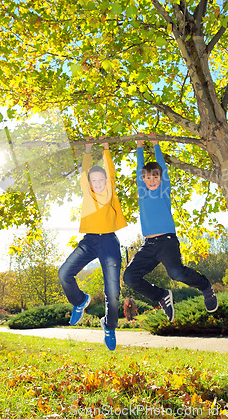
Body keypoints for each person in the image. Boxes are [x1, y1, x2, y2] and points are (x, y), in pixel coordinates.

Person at [123, 133, 218, 322]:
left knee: (175, 273)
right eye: (148, 178)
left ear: (160, 178)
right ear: (143, 179)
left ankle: (205, 286)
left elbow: (163, 169)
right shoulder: (142, 191)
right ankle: (161, 296)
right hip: (149, 245)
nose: (151, 181)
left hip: (167, 242)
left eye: (155, 177)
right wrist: (139, 147)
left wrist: (156, 145)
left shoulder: (164, 190)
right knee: (129, 277)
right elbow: (138, 170)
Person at [58, 139, 127, 350]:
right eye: (93, 181)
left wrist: (106, 149)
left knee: (113, 291)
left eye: (101, 180)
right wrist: (87, 150)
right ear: (89, 183)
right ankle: (80, 301)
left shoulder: (110, 192)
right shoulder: (87, 193)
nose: (97, 183)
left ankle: (109, 324)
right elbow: (84, 172)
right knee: (64, 273)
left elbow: (111, 171)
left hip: (109, 242)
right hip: (89, 241)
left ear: (106, 180)